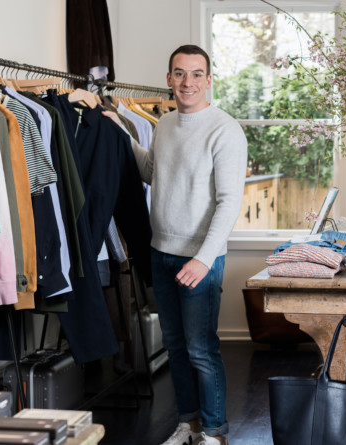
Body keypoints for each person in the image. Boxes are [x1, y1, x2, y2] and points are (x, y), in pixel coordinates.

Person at [125, 45, 247, 445]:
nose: (187, 82)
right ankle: (188, 424)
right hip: (161, 252)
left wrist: (203, 259)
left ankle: (214, 432)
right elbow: (151, 172)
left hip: (199, 260)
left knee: (201, 350)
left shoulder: (225, 130)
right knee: (175, 348)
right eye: (179, 73)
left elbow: (229, 202)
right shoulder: (164, 125)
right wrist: (120, 133)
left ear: (208, 80)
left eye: (196, 74)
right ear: (169, 79)